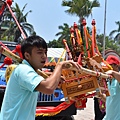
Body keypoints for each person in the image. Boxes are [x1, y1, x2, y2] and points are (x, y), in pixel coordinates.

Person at [0, 35, 81, 120]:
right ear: (27, 55)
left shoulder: (29, 71)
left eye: (45, 52)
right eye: (39, 52)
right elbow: (48, 88)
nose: (44, 56)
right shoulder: (23, 70)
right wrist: (60, 65)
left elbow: (48, 83)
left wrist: (54, 79)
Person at [100, 55, 120, 120]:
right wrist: (100, 96)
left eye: (110, 65)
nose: (107, 67)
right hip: (108, 117)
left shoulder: (117, 78)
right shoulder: (109, 80)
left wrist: (113, 73)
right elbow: (110, 99)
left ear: (117, 66)